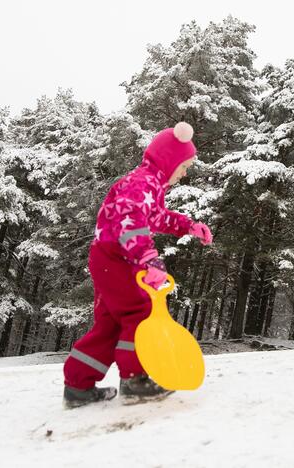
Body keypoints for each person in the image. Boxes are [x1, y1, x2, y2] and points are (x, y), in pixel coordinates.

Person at [62, 122, 213, 409]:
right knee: (139, 313)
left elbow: (155, 218)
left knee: (109, 323)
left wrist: (189, 226)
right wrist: (149, 260)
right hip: (117, 259)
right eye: (184, 165)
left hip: (108, 258)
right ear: (169, 160)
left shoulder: (148, 185)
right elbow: (129, 222)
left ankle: (78, 385)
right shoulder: (142, 183)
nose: (185, 172)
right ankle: (136, 379)